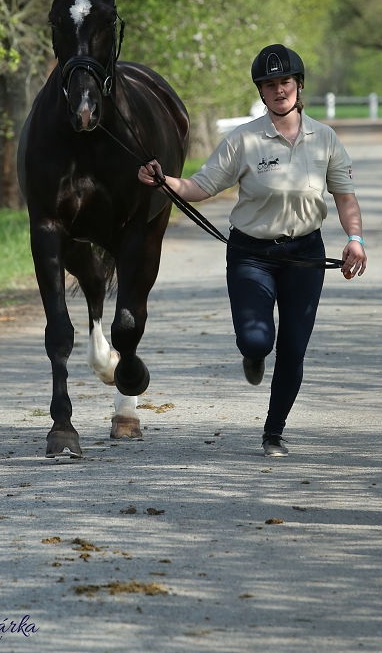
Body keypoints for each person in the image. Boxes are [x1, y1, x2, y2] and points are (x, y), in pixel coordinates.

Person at [138, 43, 367, 457]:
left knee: (294, 348)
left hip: (306, 256)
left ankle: (274, 431)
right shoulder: (243, 141)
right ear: (261, 92)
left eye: (286, 82)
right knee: (257, 341)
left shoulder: (326, 139)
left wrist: (355, 239)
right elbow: (200, 186)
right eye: (270, 84)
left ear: (298, 85)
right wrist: (164, 180)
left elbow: (345, 197)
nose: (279, 90)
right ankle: (254, 354)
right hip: (252, 255)